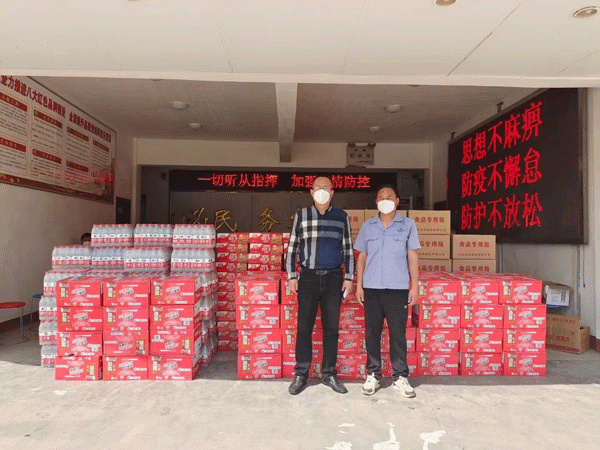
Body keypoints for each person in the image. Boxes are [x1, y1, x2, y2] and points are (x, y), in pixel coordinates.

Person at [286, 177, 354, 395]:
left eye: (326, 188)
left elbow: (348, 248)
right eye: (318, 187)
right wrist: (292, 276)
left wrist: (349, 277)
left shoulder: (341, 217)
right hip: (308, 278)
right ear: (311, 191)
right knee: (304, 327)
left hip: (334, 278)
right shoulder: (302, 215)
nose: (322, 191)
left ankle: (329, 374)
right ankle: (301, 373)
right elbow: (292, 246)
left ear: (332, 193)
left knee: (331, 328)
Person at [354, 185, 420, 398]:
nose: (385, 200)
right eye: (381, 197)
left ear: (397, 201)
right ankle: (373, 374)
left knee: (398, 334)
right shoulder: (368, 226)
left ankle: (400, 377)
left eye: (389, 197)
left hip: (397, 288)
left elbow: (412, 256)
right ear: (376, 202)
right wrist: (359, 285)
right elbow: (361, 257)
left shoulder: (407, 225)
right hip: (372, 288)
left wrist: (415, 285)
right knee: (372, 333)